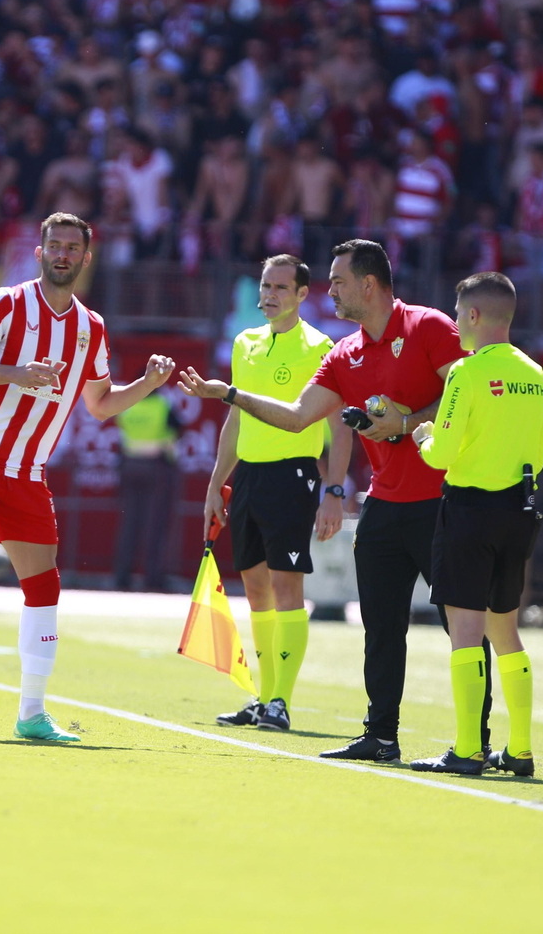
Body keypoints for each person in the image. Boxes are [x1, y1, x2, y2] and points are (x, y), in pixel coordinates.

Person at [179, 239, 493, 762]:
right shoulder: (346, 353)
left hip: (443, 497)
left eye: (339, 281)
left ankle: (475, 745)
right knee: (381, 627)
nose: (331, 289)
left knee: (458, 621)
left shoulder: (429, 327)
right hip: (384, 503)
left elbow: (468, 394)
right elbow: (298, 414)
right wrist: (228, 394)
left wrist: (409, 421)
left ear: (368, 285)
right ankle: (381, 736)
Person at [0, 212, 177, 742]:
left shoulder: (92, 328)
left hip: (24, 469)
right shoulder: (6, 304)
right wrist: (15, 374)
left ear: (87, 259)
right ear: (39, 252)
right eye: (54, 245)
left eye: (73, 247)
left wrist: (150, 383)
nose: (63, 254)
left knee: (43, 587)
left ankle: (32, 713)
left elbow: (102, 405)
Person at [408, 272, 543, 776]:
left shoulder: (466, 374)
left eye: (456, 313)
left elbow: (441, 456)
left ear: (472, 315)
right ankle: (522, 749)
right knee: (506, 631)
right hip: (519, 509)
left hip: (469, 510)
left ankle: (468, 748)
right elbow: (540, 453)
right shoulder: (535, 373)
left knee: (465, 633)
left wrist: (423, 435)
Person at [208, 255, 352, 731]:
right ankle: (263, 697)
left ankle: (280, 702)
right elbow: (236, 417)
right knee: (254, 590)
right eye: (265, 286)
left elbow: (339, 426)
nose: (269, 295)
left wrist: (333, 490)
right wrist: (217, 483)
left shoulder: (321, 347)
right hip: (248, 476)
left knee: (288, 586)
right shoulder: (244, 343)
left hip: (293, 476)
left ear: (301, 295)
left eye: (280, 288)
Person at [111, 370, 183, 591]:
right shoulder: (163, 405)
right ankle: (152, 579)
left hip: (130, 467)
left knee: (129, 524)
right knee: (156, 526)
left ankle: (122, 579)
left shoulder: (127, 403)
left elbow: (120, 427)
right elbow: (179, 430)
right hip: (157, 468)